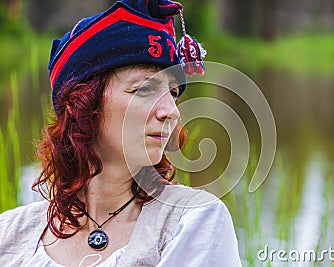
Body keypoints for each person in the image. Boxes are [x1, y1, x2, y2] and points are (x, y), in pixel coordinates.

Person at [0, 0, 242, 266]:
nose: (171, 111)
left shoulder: (193, 220)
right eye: (145, 90)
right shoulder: (10, 232)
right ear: (83, 105)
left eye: (173, 93)